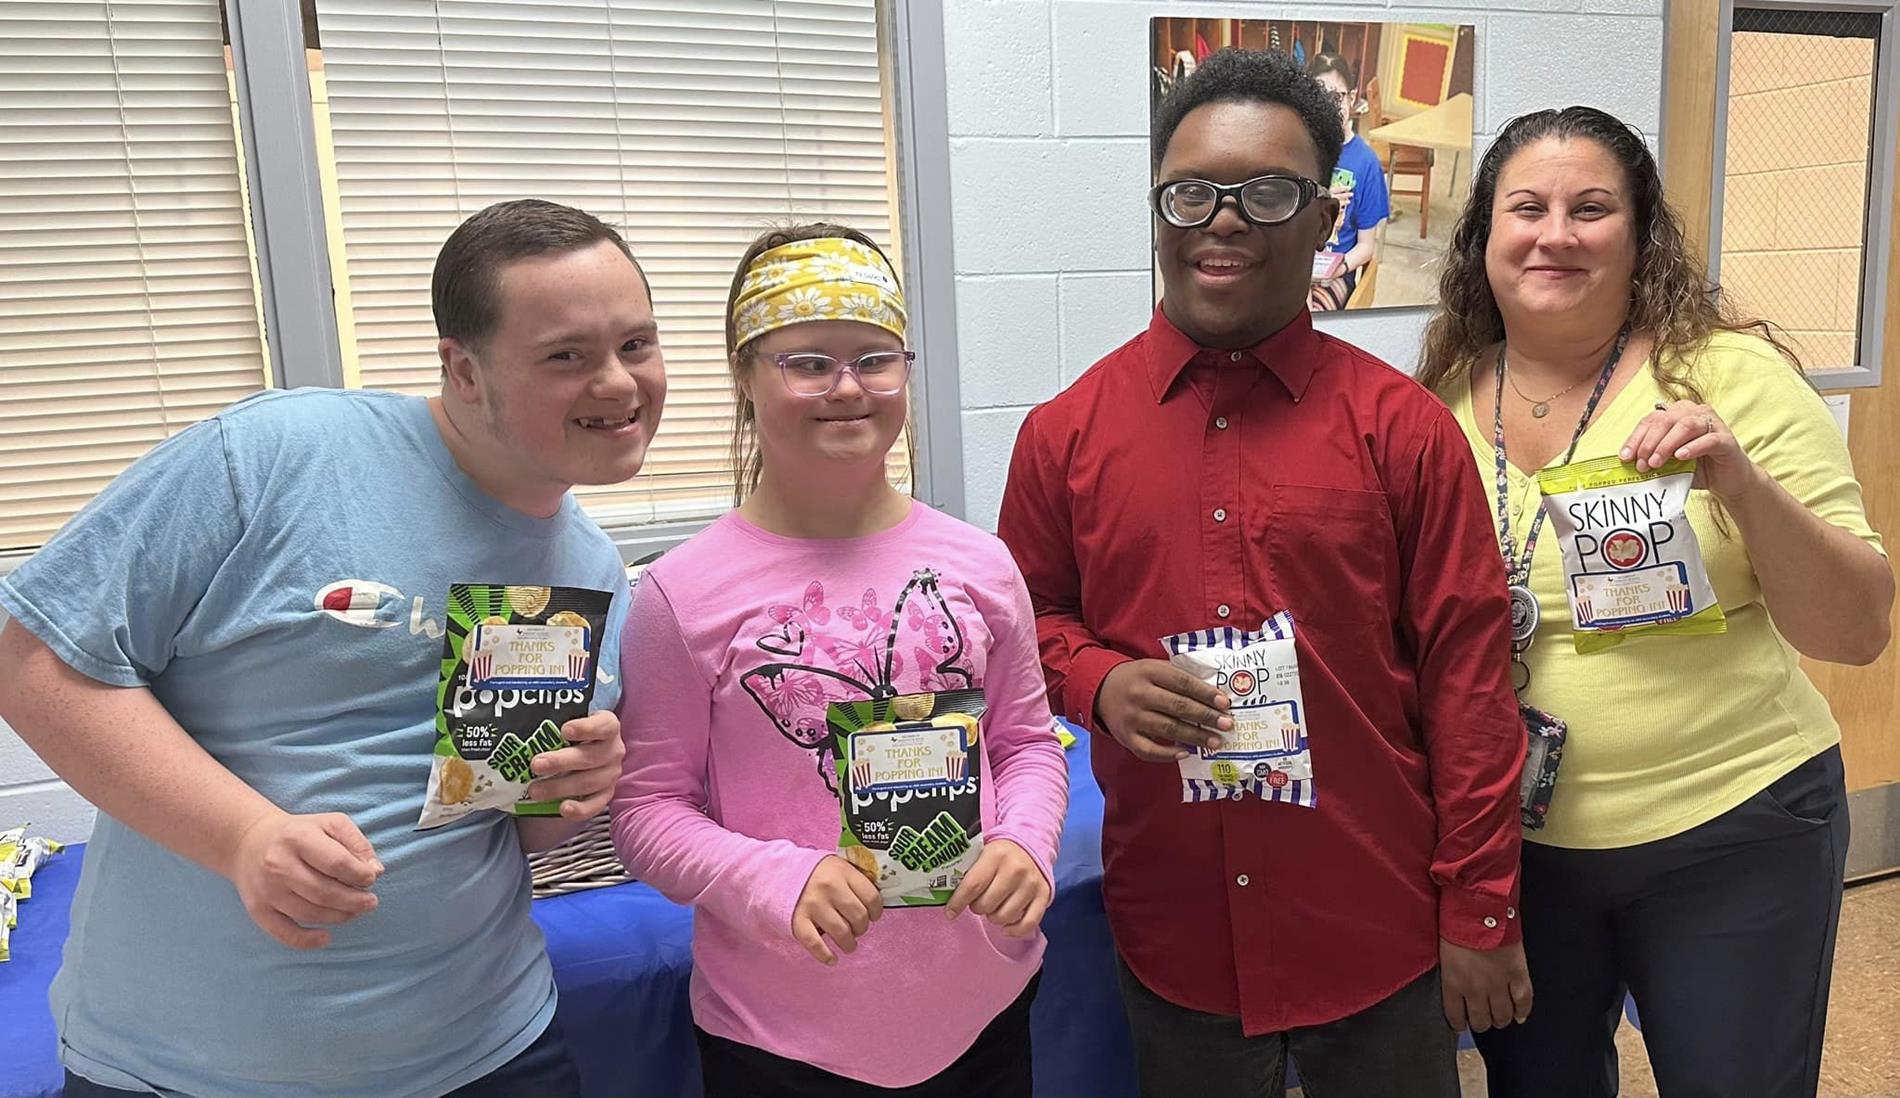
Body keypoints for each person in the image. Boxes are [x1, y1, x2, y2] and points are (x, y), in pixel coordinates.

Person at [0, 198, 661, 1098]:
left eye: (636, 344)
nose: (620, 385)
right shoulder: (275, 457)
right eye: (566, 357)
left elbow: (501, 818)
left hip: (489, 1048)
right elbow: (33, 659)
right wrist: (245, 838)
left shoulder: (589, 569)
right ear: (462, 370)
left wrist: (568, 793)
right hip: (190, 1071)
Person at [997, 48, 1528, 1098]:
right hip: (1176, 934)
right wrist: (1095, 680)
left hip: (1372, 925)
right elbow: (1026, 626)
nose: (1223, 220)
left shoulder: (1406, 434)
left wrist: (1481, 906)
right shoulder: (1064, 436)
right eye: (1190, 193)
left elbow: (1468, 690)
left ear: (1325, 217)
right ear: (1158, 213)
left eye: (1267, 192)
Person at [1414, 105, 1893, 1098]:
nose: (1555, 233)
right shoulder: (1439, 402)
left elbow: (1854, 629)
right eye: (1526, 208)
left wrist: (1740, 487)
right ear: (1483, 238)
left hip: (1733, 831)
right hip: (1522, 852)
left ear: (1638, 239)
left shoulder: (1727, 379)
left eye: (1591, 209)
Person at [610, 223, 1068, 1098]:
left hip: (981, 1010)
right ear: (745, 376)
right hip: (782, 1039)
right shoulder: (680, 595)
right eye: (807, 363)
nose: (847, 388)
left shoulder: (979, 564)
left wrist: (1025, 841)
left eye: (875, 358)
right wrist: (777, 877)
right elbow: (647, 812)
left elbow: (1027, 746)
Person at [1305, 51, 1388, 311]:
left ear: (1351, 99)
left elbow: (1366, 247)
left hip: (1334, 273)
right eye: (1319, 96)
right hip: (1293, 263)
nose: (1328, 105)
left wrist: (1336, 269)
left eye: (1337, 96)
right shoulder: (1298, 150)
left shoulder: (1367, 164)